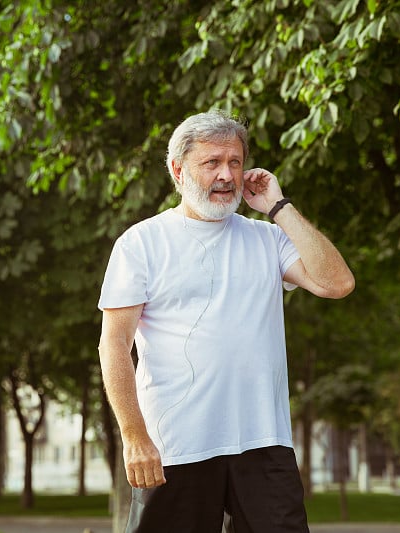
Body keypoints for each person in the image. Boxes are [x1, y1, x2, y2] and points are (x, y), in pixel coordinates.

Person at [97, 110, 355, 533]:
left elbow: (337, 283)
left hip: (263, 444)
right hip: (175, 447)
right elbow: (113, 346)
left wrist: (278, 206)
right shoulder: (141, 243)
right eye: (212, 162)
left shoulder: (267, 239)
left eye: (235, 162)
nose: (226, 174)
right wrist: (134, 435)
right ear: (178, 170)